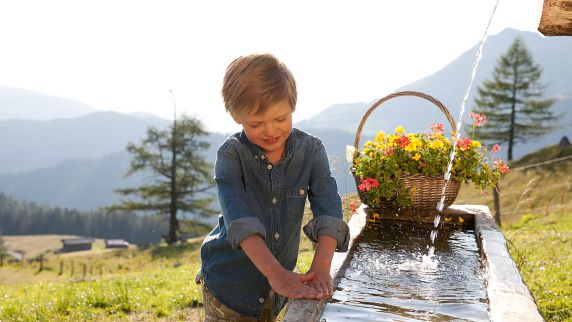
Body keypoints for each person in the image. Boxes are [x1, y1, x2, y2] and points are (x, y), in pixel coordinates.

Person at [198, 53, 350, 322]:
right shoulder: (231, 156)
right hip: (230, 288)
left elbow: (328, 209)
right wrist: (276, 274)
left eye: (281, 119)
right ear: (237, 117)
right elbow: (241, 222)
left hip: (276, 289)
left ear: (293, 106)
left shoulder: (311, 151)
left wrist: (322, 266)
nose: (270, 131)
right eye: (256, 123)